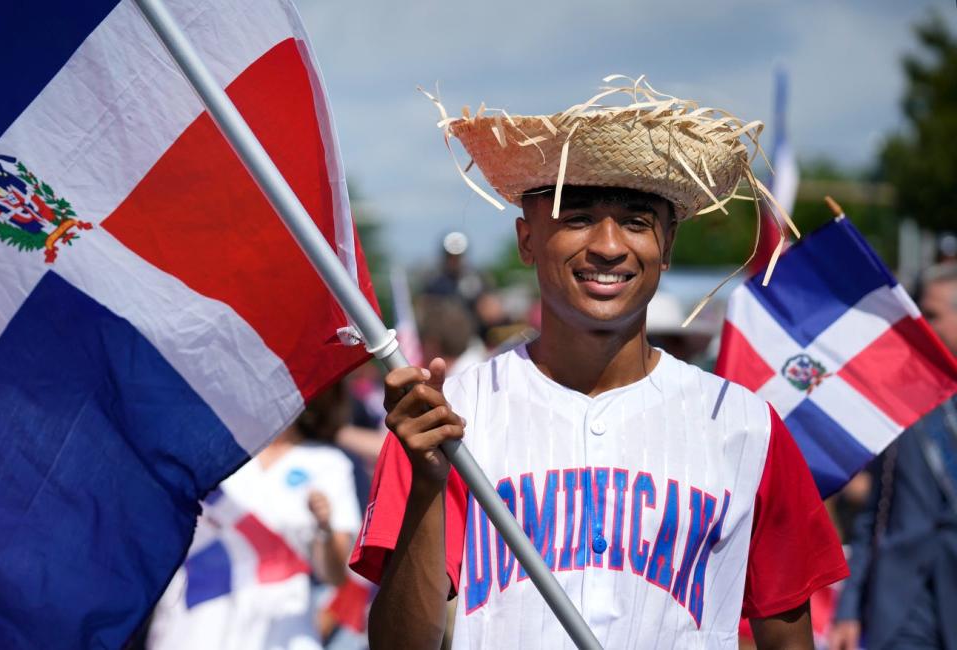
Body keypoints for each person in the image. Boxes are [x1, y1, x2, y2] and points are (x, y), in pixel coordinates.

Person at [349, 78, 848, 649]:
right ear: (527, 240)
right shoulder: (443, 420)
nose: (610, 245)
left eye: (637, 221)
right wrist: (428, 487)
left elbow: (789, 640)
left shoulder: (745, 427)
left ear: (669, 244)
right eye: (578, 216)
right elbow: (397, 646)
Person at [147, 386, 362, 650]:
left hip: (282, 630)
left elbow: (335, 576)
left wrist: (324, 527)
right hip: (195, 618)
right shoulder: (207, 447)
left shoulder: (328, 464)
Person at [829, 263, 957, 650]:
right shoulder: (902, 399)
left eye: (931, 315)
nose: (922, 325)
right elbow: (875, 514)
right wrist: (848, 608)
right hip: (902, 604)